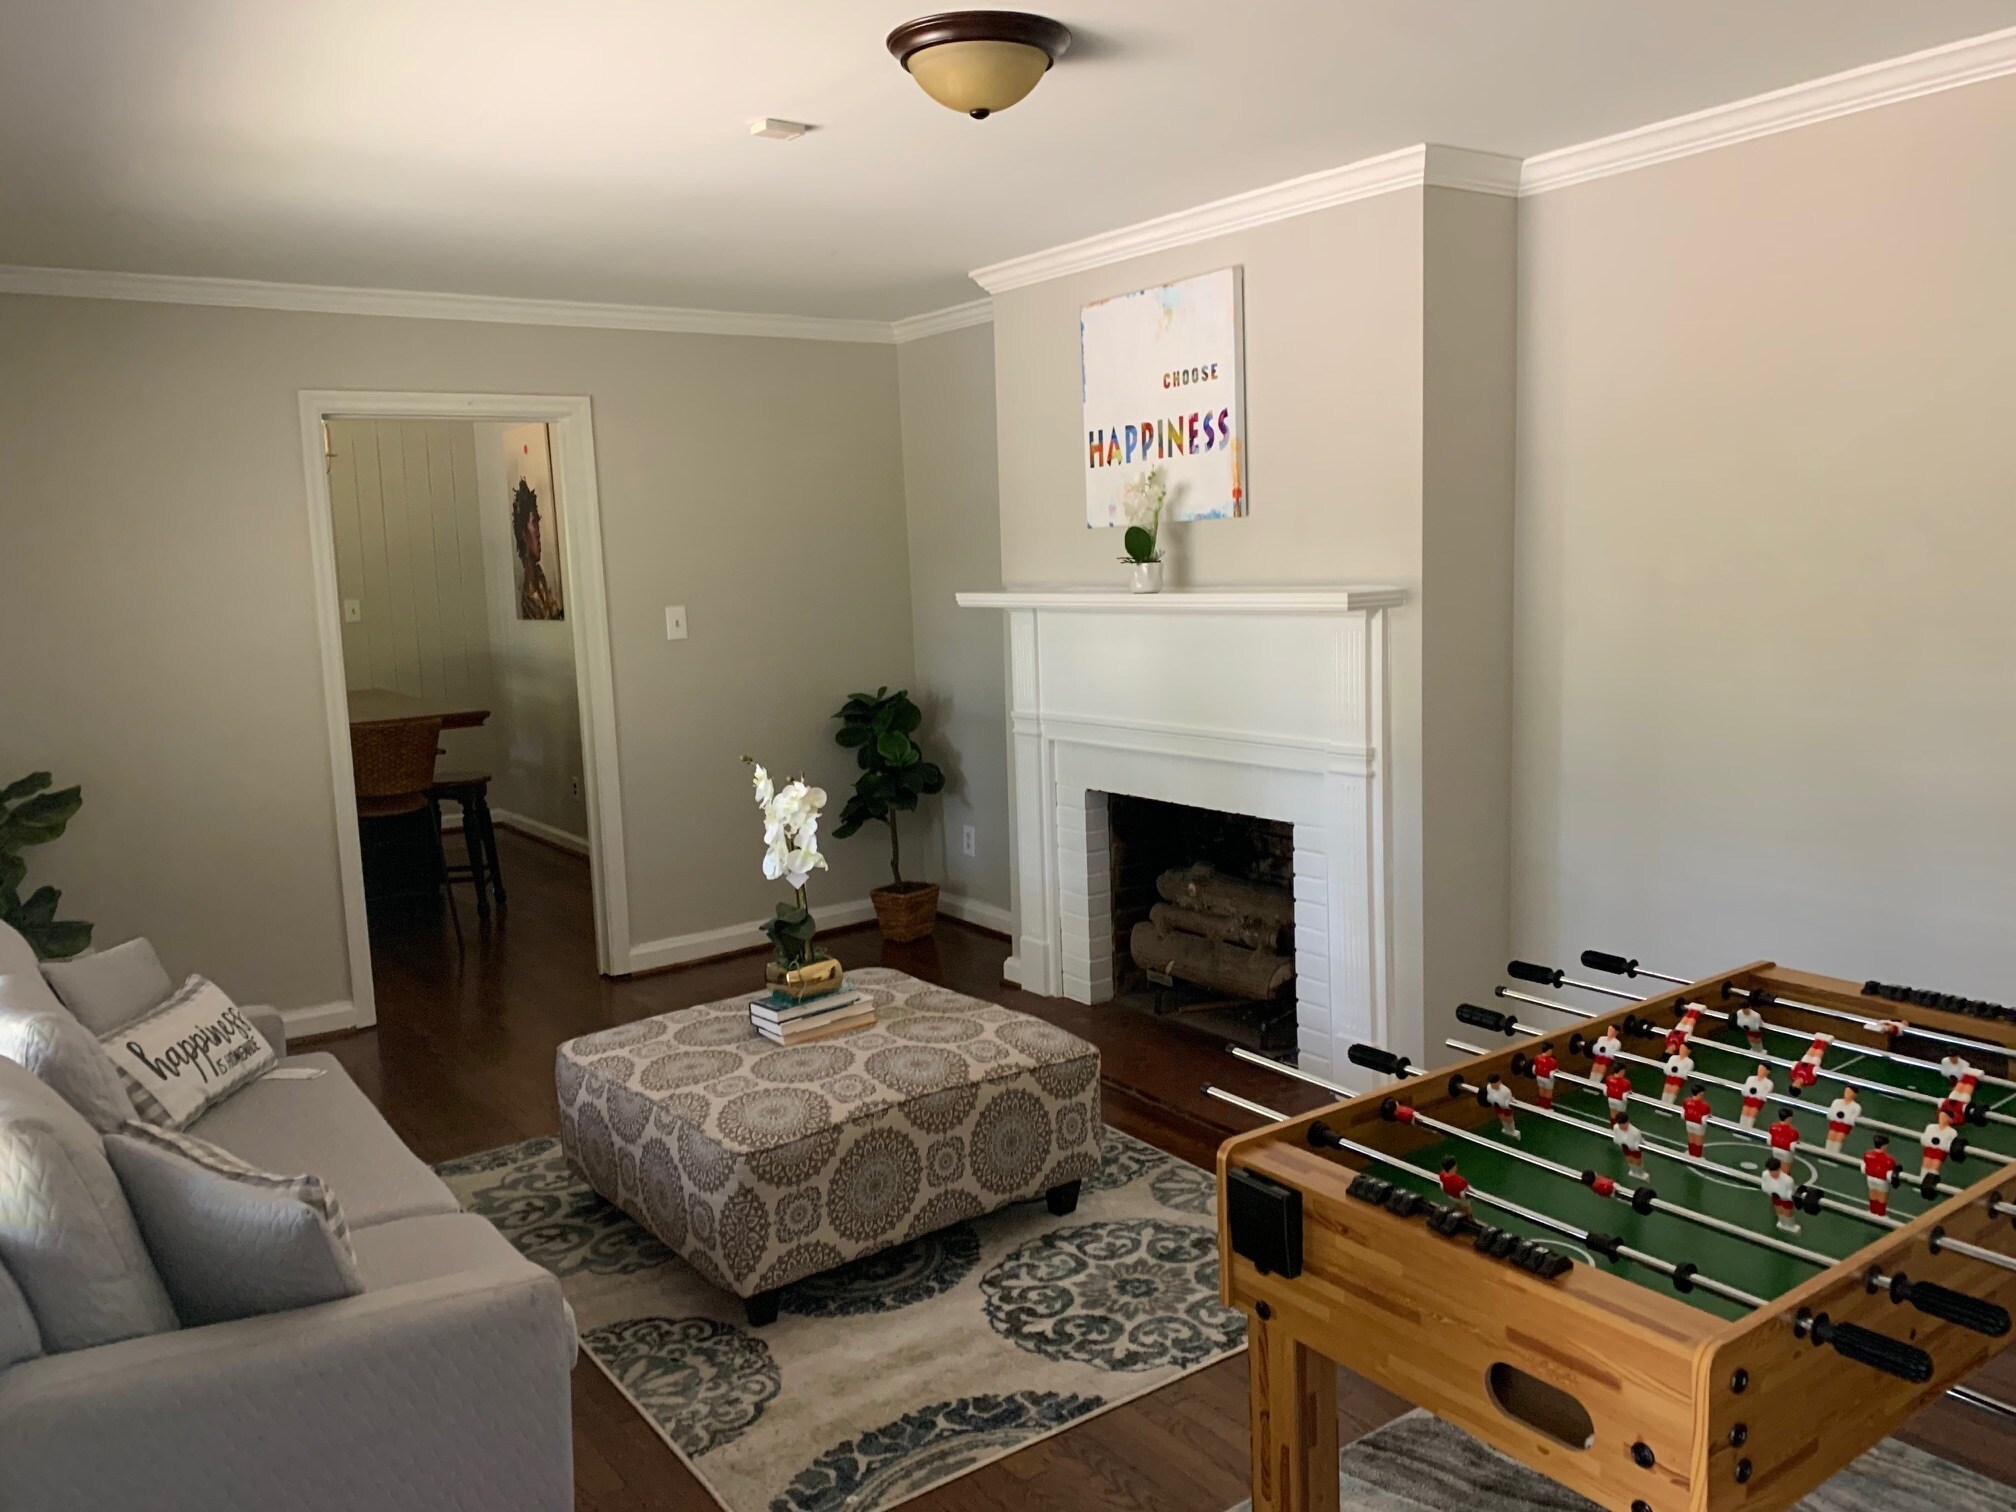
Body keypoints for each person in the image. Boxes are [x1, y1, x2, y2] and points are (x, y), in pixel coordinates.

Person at [1862, 1134, 1900, 1217]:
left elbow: (1864, 1164)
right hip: (1882, 1181)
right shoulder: (1889, 1159)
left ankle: (1872, 1211)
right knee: (1881, 1196)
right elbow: (1895, 1167)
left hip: (1870, 1178)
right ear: (1884, 1146)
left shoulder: (1867, 1154)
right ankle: (1881, 1214)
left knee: (1872, 1193)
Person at [1761, 1157, 1801, 1234]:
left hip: (1786, 1199)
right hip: (1775, 1197)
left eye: (1774, 1171)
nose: (1772, 1174)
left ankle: (1790, 1225)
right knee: (1779, 1210)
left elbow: (1790, 1194)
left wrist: (1782, 1195)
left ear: (1779, 1169)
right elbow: (1764, 1186)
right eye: (1770, 1171)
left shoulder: (1788, 1180)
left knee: (1787, 1211)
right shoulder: (1765, 1175)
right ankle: (1783, 1223)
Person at [1921, 1106, 1960, 1179]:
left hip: (1940, 1152)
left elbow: (1951, 1146)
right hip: (1929, 1150)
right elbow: (1924, 1139)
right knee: (1925, 1166)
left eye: (1945, 1116)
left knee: (1934, 1168)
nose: (1942, 1118)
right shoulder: (1931, 1127)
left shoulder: (1952, 1132)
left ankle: (1930, 1183)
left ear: (1950, 1119)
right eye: (1941, 1116)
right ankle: (1921, 1181)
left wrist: (1940, 1144)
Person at [1483, 1074, 1519, 1141]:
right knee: (1501, 1117)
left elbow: (1509, 1100)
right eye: (1491, 1084)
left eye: (1493, 1084)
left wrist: (1506, 1103)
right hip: (1497, 1106)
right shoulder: (1489, 1087)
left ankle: (1512, 1131)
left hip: (1505, 1108)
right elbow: (1489, 1096)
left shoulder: (1506, 1091)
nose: (1492, 1085)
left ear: (1498, 1082)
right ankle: (1506, 1129)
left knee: (1509, 1118)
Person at [1824, 1087, 1861, 1153]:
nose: (1847, 1093)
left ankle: (1835, 1156)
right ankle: (1826, 1153)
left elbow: (1854, 1118)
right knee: (1831, 1135)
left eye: (1849, 1092)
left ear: (1854, 1094)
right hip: (1835, 1122)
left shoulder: (1856, 1106)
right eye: (1846, 1091)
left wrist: (1845, 1117)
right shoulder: (1837, 1101)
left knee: (1839, 1137)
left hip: (1845, 1125)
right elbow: (1831, 1112)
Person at [1681, 1085, 1713, 1159]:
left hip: (1689, 1123)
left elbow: (1684, 1110)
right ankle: (1697, 1156)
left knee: (1691, 1137)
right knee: (1698, 1139)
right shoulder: (1705, 1105)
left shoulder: (1686, 1101)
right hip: (1698, 1125)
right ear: (1699, 1094)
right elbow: (1708, 1114)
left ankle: (1691, 1153)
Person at [1611, 1116, 1648, 1181]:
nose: (1621, 1127)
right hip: (1624, 1147)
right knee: (1629, 1159)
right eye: (1620, 1124)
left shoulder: (1635, 1131)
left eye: (1623, 1124)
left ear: (1627, 1122)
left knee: (1638, 1161)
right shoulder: (1616, 1127)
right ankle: (1633, 1171)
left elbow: (1638, 1143)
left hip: (1634, 1149)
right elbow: (1616, 1137)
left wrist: (1630, 1145)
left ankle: (1640, 1173)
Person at [1531, 1041, 1559, 1110]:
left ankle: (1541, 1106)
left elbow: (1534, 1067)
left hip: (1539, 1078)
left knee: (1541, 1092)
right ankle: (1546, 1107)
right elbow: (1556, 1070)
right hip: (1548, 1079)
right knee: (1548, 1094)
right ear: (1549, 1050)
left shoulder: (1537, 1057)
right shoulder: (1553, 1061)